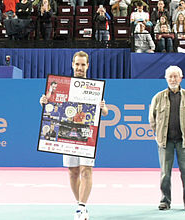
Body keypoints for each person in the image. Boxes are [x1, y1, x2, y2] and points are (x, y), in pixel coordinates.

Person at [39, 51, 108, 220]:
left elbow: (104, 111)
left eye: (83, 64)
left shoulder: (94, 87)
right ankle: (80, 205)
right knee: (72, 172)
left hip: (86, 133)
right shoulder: (63, 85)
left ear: (87, 66)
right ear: (72, 64)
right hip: (66, 132)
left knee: (86, 170)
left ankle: (82, 207)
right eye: (77, 64)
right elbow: (50, 103)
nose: (79, 67)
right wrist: (44, 101)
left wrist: (103, 107)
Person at [149, 66, 185, 211]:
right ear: (166, 78)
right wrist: (159, 134)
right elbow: (152, 119)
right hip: (165, 142)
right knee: (165, 174)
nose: (173, 79)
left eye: (176, 76)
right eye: (170, 76)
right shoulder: (158, 97)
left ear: (181, 78)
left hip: (184, 141)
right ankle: (165, 201)